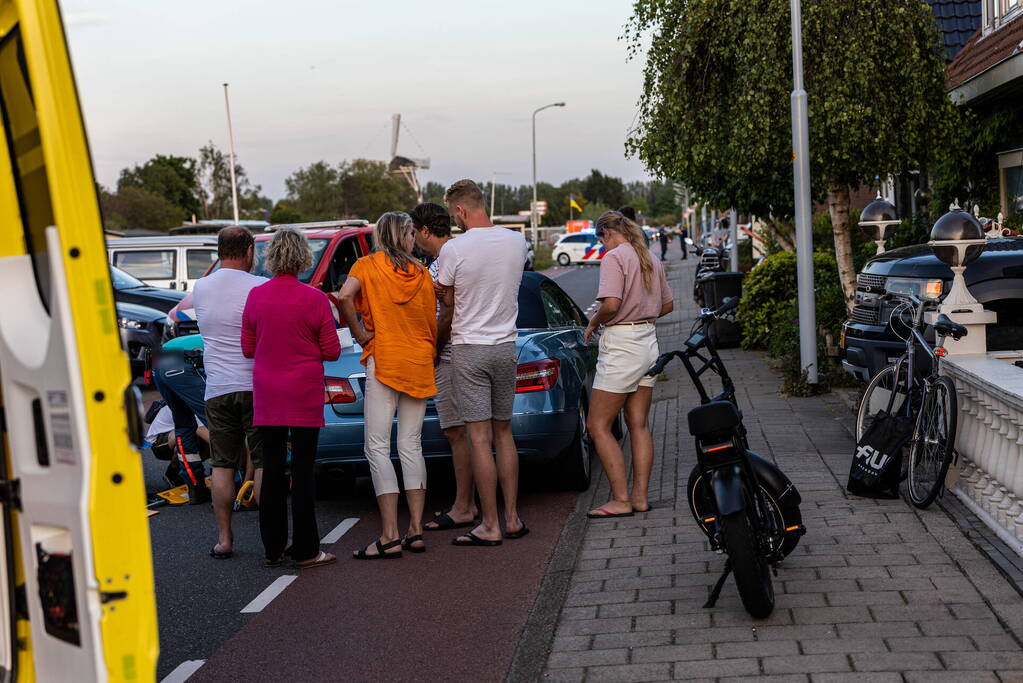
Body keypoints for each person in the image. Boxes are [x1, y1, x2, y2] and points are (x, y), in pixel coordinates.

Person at [338, 212, 437, 558]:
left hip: (384, 359)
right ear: (405, 236)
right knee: (411, 445)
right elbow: (431, 322)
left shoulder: (365, 266)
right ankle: (416, 530)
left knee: (377, 445)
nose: (413, 239)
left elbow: (344, 297)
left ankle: (390, 535)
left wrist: (361, 334)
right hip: (418, 360)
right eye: (410, 234)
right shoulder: (423, 274)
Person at [242, 228, 341, 569]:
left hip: (268, 391)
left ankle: (272, 547)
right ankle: (306, 549)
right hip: (303, 391)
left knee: (269, 468)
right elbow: (332, 351)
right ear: (302, 258)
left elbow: (248, 348)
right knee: (302, 470)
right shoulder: (315, 299)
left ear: (271, 259)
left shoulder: (256, 297)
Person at [436, 179, 528, 546]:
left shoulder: (454, 250)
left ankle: (489, 524)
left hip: (469, 348)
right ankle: (513, 517)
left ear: (459, 210)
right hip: (506, 345)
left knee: (478, 437)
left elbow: (447, 300)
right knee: (504, 433)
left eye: (452, 214)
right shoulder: (516, 242)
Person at [583, 210, 674, 518]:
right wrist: (642, 314)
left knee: (597, 425)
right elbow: (668, 304)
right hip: (648, 342)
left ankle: (620, 499)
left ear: (606, 233)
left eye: (601, 240)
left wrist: (593, 323)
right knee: (638, 424)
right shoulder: (649, 256)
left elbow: (611, 304)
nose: (603, 247)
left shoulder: (614, 258)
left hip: (622, 346)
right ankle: (640, 498)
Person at [192, 226, 267, 560]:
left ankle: (224, 538)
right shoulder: (260, 286)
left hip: (218, 388)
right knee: (264, 460)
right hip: (255, 385)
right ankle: (272, 537)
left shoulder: (201, 286)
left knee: (222, 465)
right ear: (249, 250)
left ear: (219, 252)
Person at [410, 202, 478, 532]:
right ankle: (482, 504)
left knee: (456, 432)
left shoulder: (439, 266)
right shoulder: (462, 253)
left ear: (425, 231)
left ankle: (465, 505)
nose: (413, 240)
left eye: (414, 232)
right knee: (478, 431)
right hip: (475, 350)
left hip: (450, 356)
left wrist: (432, 350)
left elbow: (446, 313)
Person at [151, 333, 211, 505]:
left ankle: (195, 487)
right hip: (183, 362)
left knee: (184, 425)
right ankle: (235, 480)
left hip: (159, 363)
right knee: (217, 424)